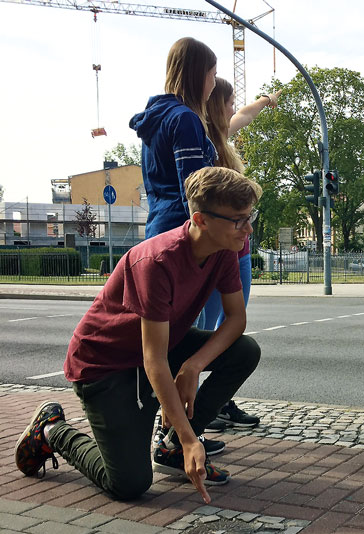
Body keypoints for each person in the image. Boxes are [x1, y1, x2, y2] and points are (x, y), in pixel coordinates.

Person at [15, 167, 262, 503]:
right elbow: (154, 360)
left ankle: (173, 448)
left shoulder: (225, 249)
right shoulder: (157, 261)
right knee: (129, 484)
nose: (248, 228)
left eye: (250, 217)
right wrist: (193, 439)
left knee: (244, 351)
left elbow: (236, 321)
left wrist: (193, 366)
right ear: (201, 220)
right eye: (238, 220)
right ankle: (51, 431)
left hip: (156, 349)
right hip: (105, 365)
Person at [191, 77, 281, 432]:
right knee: (203, 327)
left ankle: (217, 400)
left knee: (229, 323)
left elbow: (245, 113)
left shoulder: (223, 135)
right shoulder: (202, 140)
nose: (233, 108)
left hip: (237, 248)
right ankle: (194, 406)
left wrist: (265, 100)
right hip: (218, 246)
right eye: (228, 102)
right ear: (216, 104)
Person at [130, 37, 219, 239]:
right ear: (198, 76)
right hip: (182, 235)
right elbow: (194, 191)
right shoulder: (185, 119)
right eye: (213, 75)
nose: (214, 83)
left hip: (159, 230)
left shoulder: (157, 118)